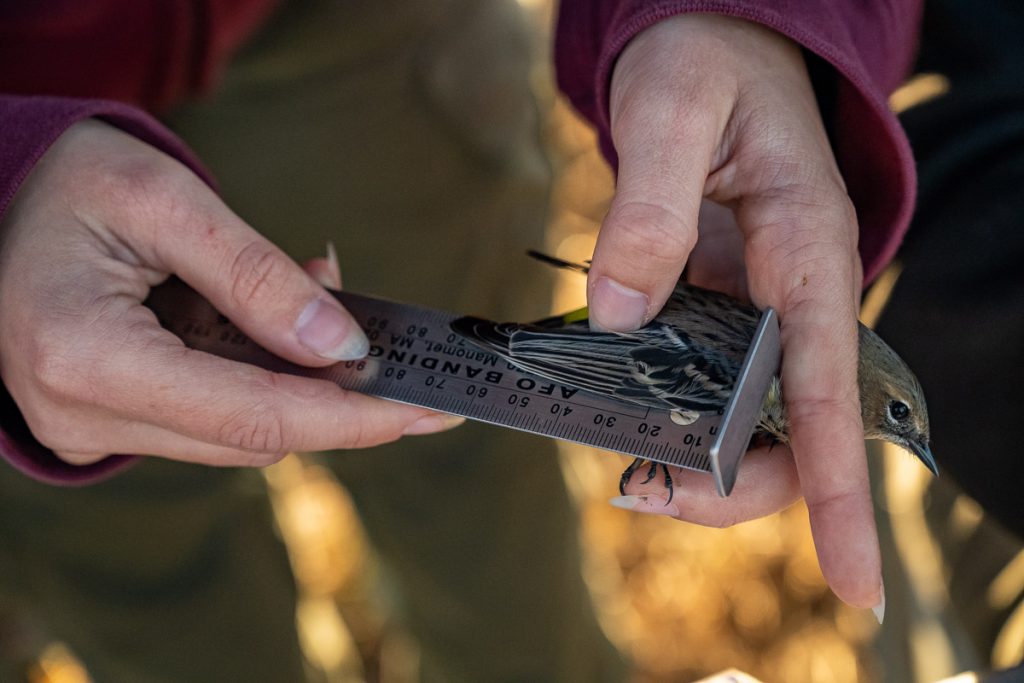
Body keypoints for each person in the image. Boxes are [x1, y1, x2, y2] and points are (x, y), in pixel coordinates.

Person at [0, 0, 921, 679]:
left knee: (474, 485)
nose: (905, 441)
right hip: (25, 159)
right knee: (150, 564)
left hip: (351, 53)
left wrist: (752, 19)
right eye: (899, 419)